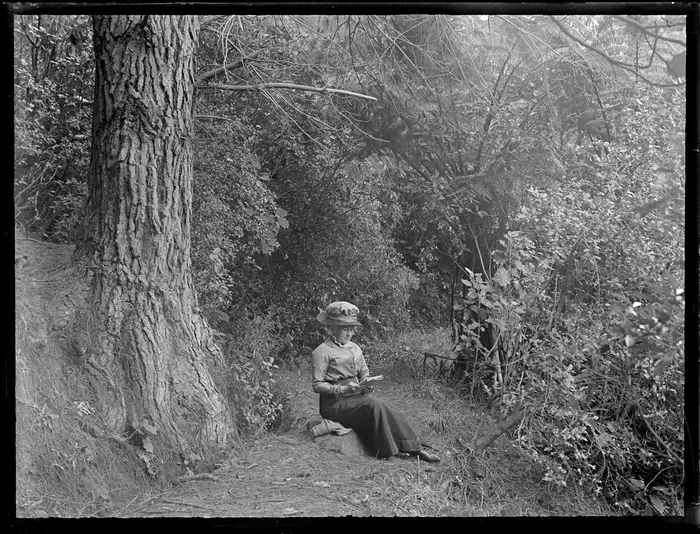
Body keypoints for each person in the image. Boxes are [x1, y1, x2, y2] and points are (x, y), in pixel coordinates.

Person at [311, 301, 440, 462]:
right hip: (334, 404)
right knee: (374, 406)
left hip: (356, 397)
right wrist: (342, 390)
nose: (350, 333)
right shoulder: (322, 351)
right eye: (345, 329)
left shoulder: (355, 348)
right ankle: (390, 450)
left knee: (387, 407)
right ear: (331, 329)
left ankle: (414, 448)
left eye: (352, 329)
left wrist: (366, 384)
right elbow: (317, 385)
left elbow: (364, 374)